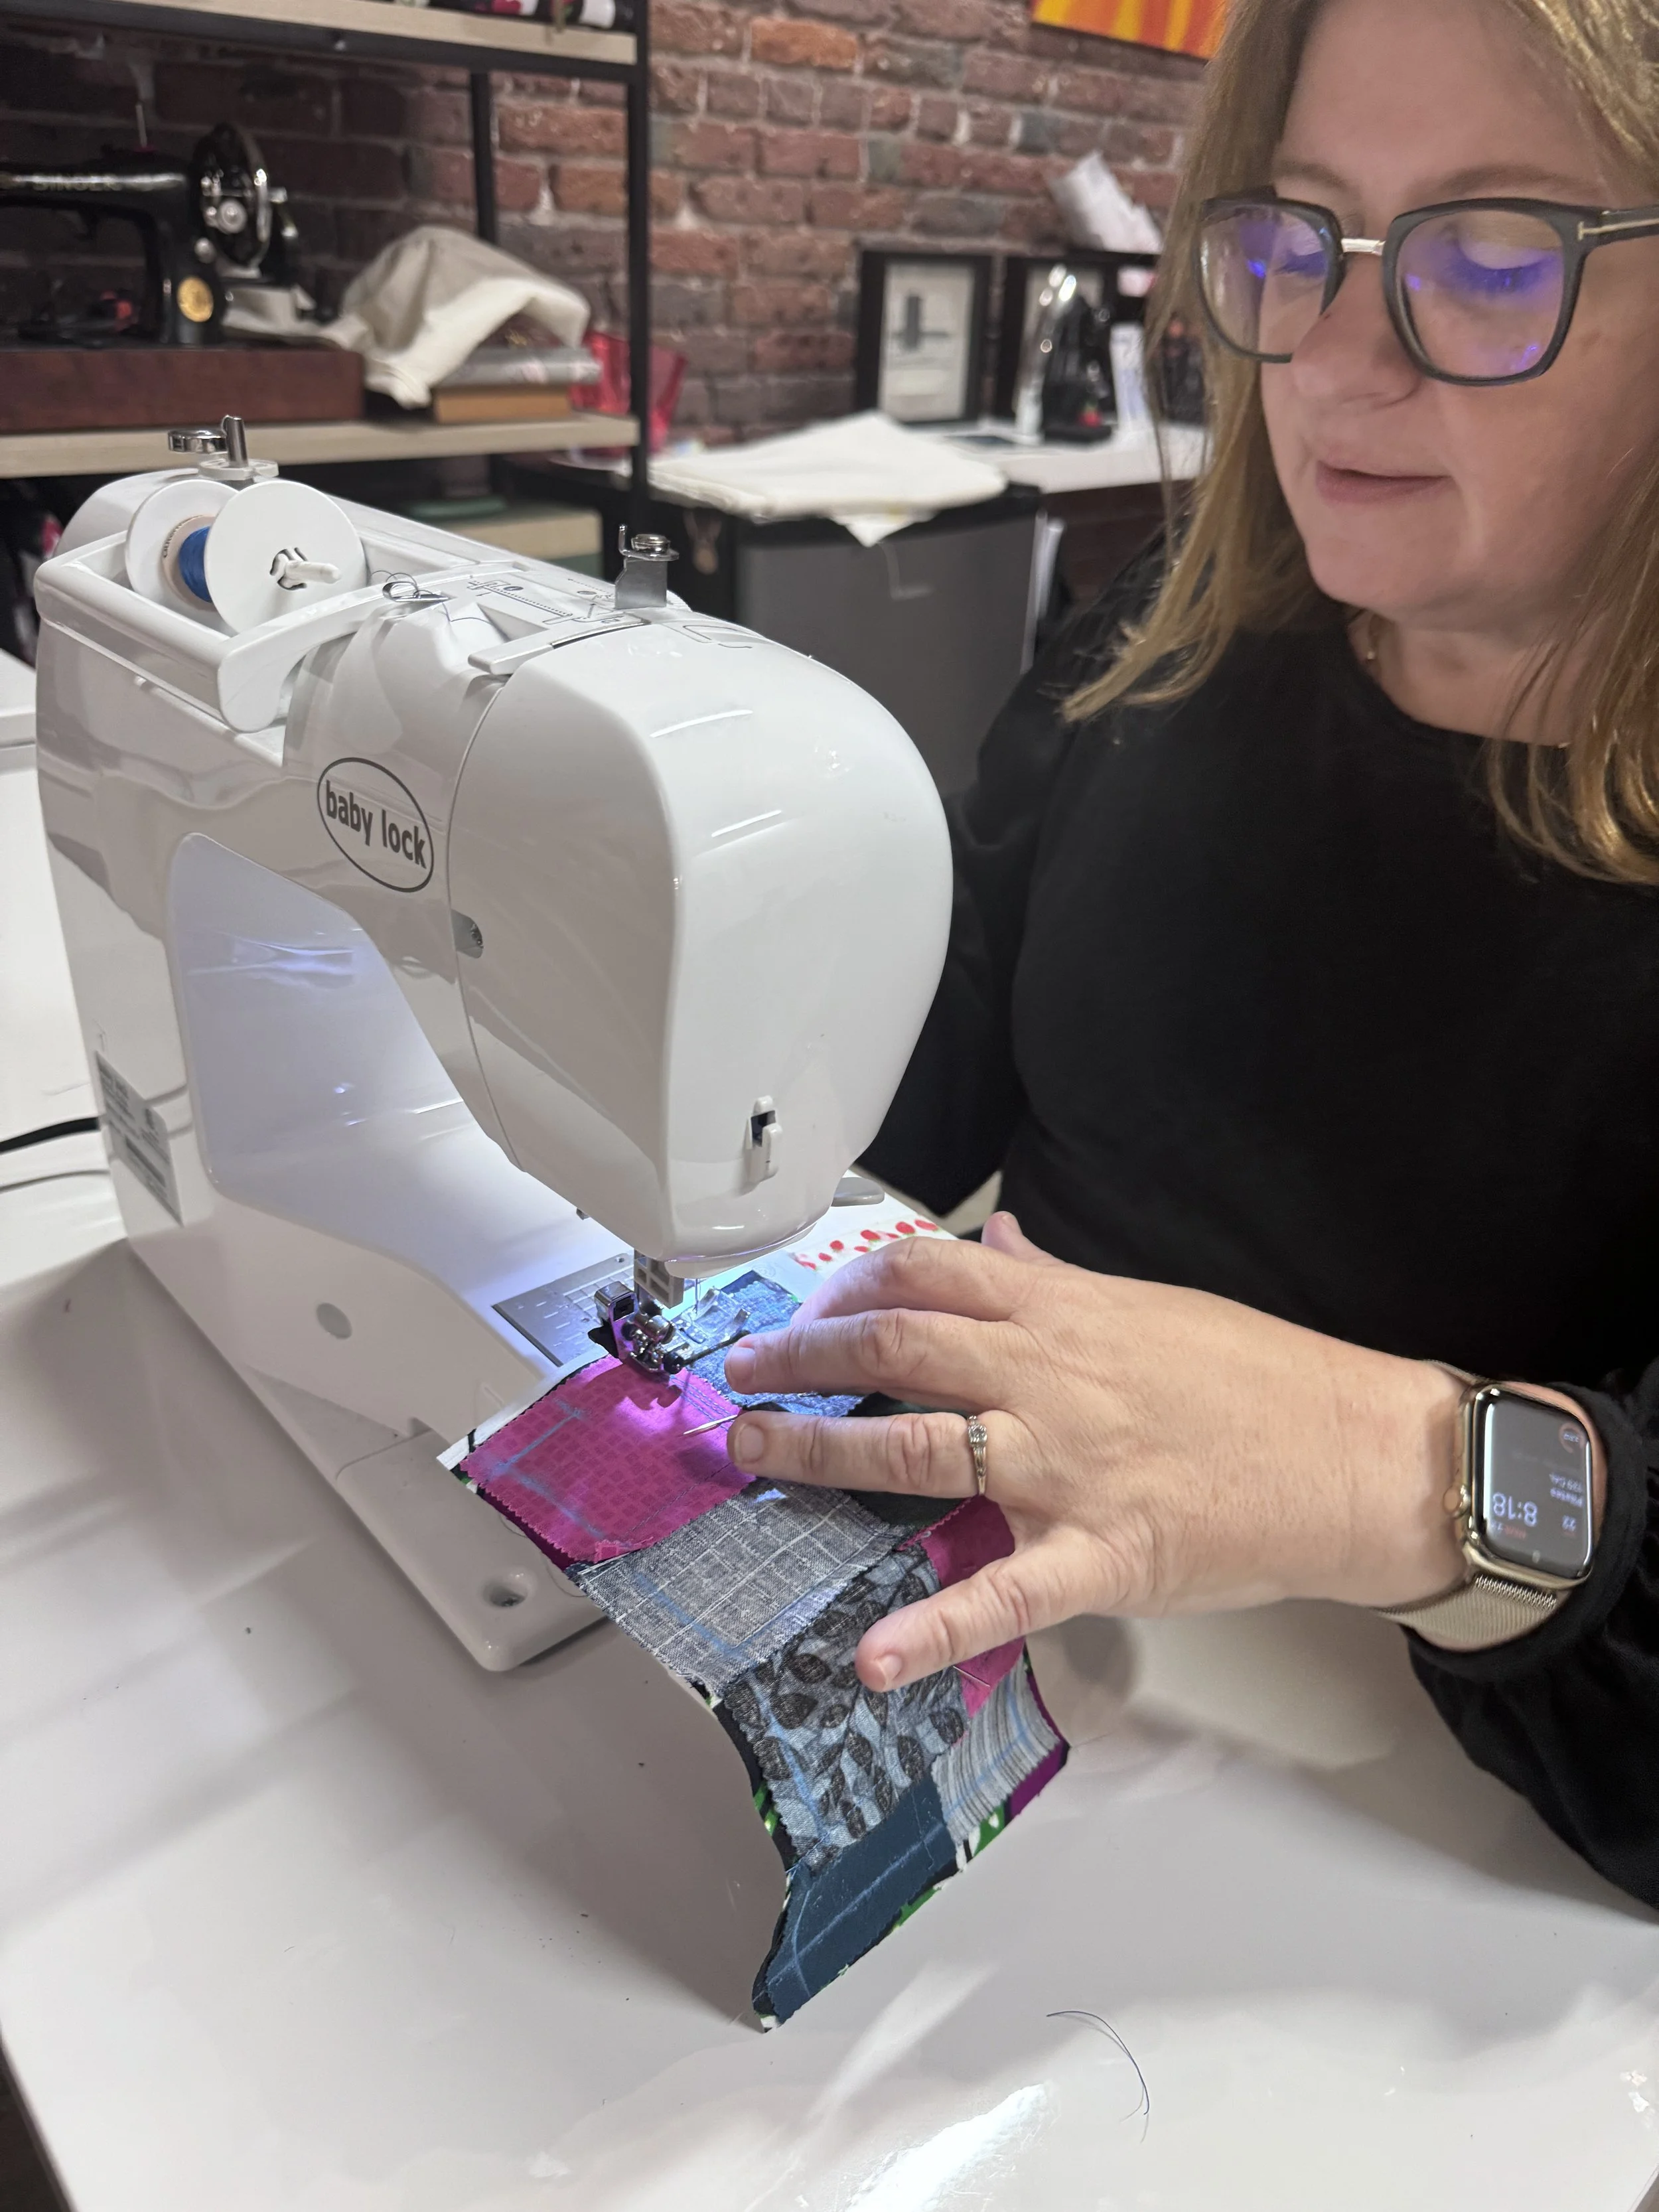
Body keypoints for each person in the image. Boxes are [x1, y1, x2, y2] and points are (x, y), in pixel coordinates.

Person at [719, 0, 1659, 1914]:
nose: (1327, 352)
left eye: (1489, 256)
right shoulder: (1158, 646)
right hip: (1040, 1733)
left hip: (1412, 1881)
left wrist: (1374, 1461)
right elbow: (900, 1087)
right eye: (1294, 237)